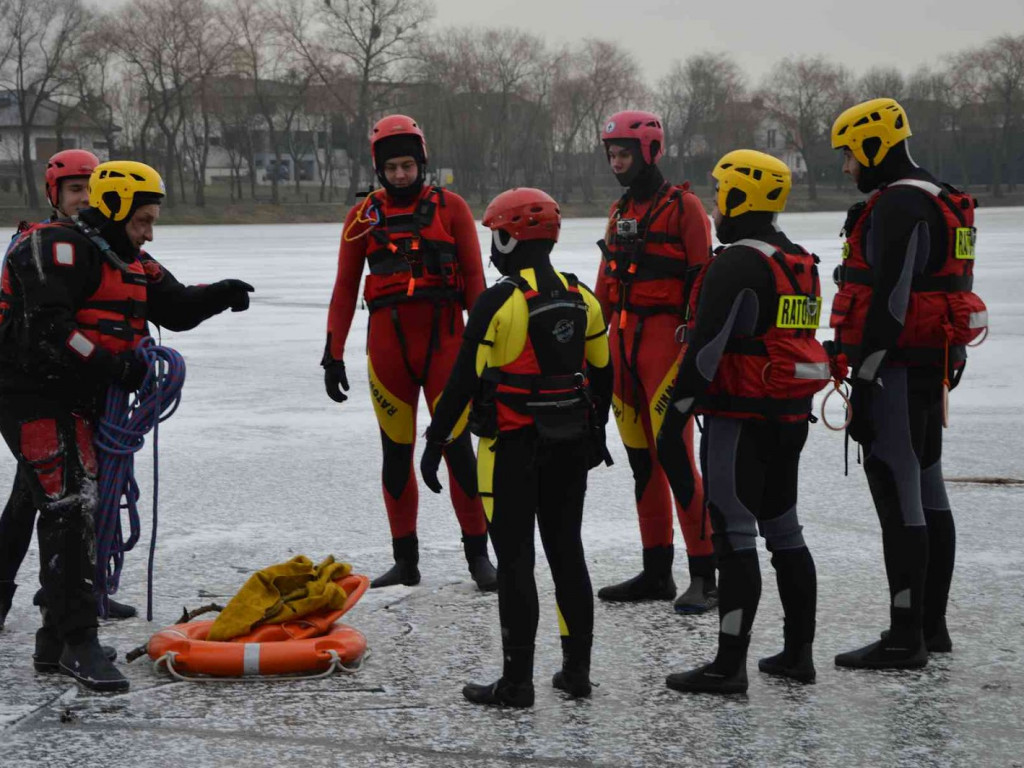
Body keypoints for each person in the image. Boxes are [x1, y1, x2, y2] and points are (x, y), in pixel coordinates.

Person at [0, 160, 254, 691]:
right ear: (115, 209)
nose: (149, 233)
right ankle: (78, 642)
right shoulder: (51, 247)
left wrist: (220, 293)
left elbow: (175, 306)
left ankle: (54, 640)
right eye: (143, 221)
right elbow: (51, 330)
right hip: (33, 396)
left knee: (61, 504)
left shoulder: (127, 255)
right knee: (72, 507)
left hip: (83, 398)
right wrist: (114, 367)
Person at [420, 188, 612, 707]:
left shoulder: (498, 302)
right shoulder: (583, 296)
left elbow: (462, 382)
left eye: (494, 236)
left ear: (509, 238)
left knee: (516, 562)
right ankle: (576, 674)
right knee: (567, 552)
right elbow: (603, 375)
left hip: (510, 450)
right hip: (570, 445)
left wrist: (436, 442)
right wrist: (595, 432)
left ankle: (516, 683)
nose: (491, 248)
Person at [658, 150, 831, 693]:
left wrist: (674, 418)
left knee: (733, 534)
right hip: (789, 417)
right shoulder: (797, 260)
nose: (714, 207)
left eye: (720, 195)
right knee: (785, 531)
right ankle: (798, 655)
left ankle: (727, 665)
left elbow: (705, 353)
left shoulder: (736, 263)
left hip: (738, 419)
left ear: (739, 197)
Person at [829, 98, 987, 670]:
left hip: (895, 369)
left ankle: (904, 637)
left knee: (899, 491)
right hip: (930, 365)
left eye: (851, 154)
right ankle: (930, 626)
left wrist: (865, 374)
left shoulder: (899, 203)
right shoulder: (940, 196)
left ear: (874, 147)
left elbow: (892, 303)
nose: (847, 166)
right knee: (927, 487)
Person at [322, 115, 496, 591]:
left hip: (448, 348)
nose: (401, 175)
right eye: (392, 167)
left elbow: (475, 282)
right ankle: (406, 561)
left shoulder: (452, 208)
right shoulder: (362, 218)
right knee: (396, 456)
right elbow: (345, 288)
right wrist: (332, 353)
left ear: (422, 163)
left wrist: (486, 354)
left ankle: (479, 558)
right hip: (388, 352)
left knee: (458, 452)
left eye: (408, 166)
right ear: (379, 169)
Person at [594, 110, 716, 612]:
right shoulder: (618, 210)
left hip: (666, 347)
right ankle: (656, 571)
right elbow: (604, 286)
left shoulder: (686, 208)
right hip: (622, 348)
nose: (617, 164)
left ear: (649, 152)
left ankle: (705, 575)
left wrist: (696, 355)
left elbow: (703, 283)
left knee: (676, 458)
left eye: (624, 154)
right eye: (612, 155)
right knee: (642, 462)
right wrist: (588, 347)